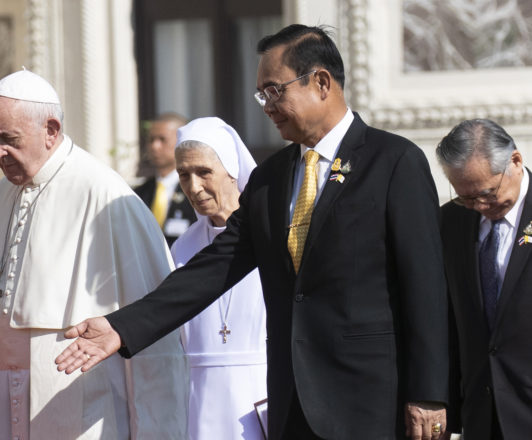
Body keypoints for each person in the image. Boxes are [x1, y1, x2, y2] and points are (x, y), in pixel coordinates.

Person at [56, 24, 450, 440]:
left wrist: (428, 392)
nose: (266, 105)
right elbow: (213, 267)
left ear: (321, 82)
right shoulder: (272, 178)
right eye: (261, 95)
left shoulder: (392, 161)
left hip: (371, 400)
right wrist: (122, 326)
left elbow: (424, 286)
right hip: (291, 401)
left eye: (274, 91)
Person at [0, 69, 188, 439]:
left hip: (84, 414)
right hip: (5, 405)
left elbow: (154, 336)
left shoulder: (105, 195)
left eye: (9, 139)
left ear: (51, 129)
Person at [172, 117, 267, 439]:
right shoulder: (182, 247)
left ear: (233, 170)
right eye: (183, 175)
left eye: (203, 172)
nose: (193, 187)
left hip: (263, 393)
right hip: (198, 401)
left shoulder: (271, 235)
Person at [437, 119, 532, 440]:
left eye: (487, 193)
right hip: (482, 415)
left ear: (515, 162)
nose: (478, 206)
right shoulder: (449, 222)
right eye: (465, 197)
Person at [134, 113, 197, 246]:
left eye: (162, 139)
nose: (154, 146)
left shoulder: (196, 189)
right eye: (151, 140)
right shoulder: (138, 193)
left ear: (182, 141)